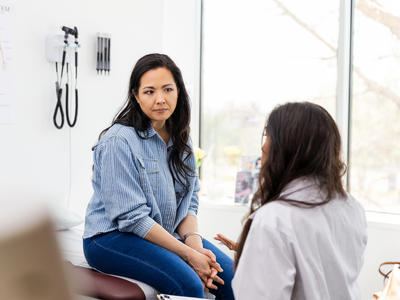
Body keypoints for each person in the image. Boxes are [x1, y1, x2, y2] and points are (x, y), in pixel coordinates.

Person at [83, 53, 234, 299]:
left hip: (162, 232)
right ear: (136, 95)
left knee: (230, 278)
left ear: (179, 91)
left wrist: (194, 244)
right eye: (149, 91)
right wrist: (189, 256)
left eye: (167, 89)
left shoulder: (182, 140)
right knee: (188, 285)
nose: (160, 99)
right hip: (110, 239)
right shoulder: (118, 142)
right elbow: (132, 218)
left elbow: (189, 201)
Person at [215, 102, 367, 300]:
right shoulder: (352, 208)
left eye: (268, 136)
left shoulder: (274, 219)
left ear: (286, 148)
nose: (262, 146)